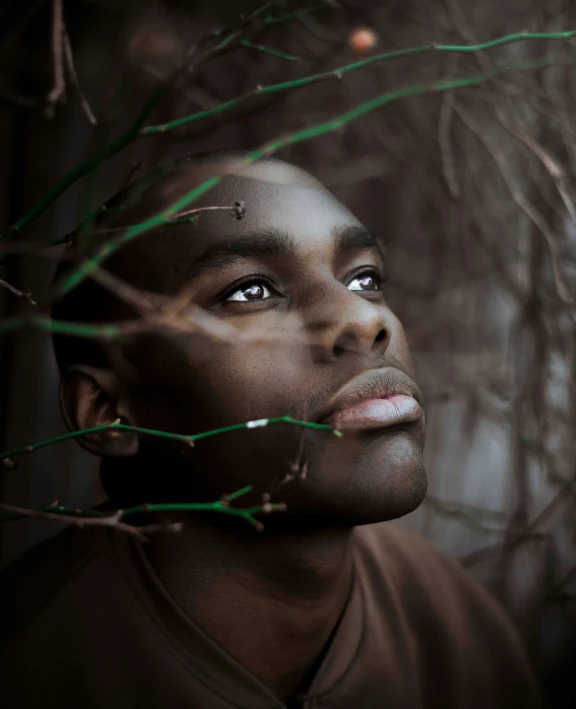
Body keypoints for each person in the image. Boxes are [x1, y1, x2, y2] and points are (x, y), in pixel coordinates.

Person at [0, 150, 542, 708]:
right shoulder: (28, 665)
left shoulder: (453, 623)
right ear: (109, 410)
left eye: (364, 278)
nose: (365, 319)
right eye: (250, 291)